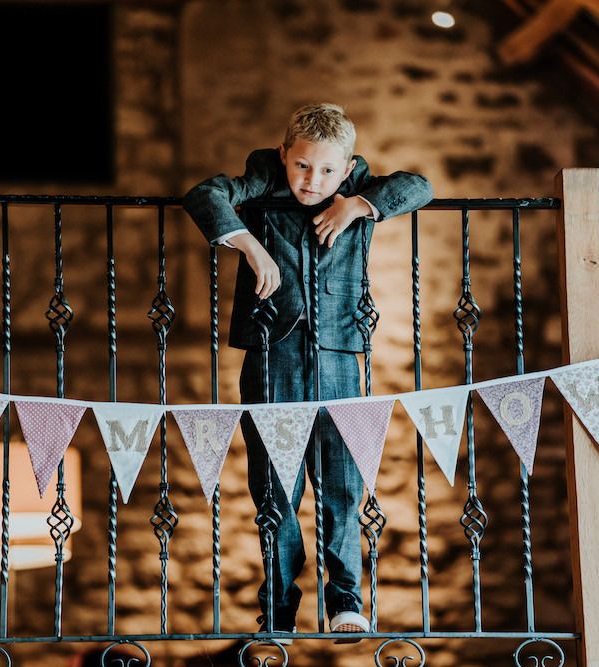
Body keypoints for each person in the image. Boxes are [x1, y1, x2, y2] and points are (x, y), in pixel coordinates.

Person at [183, 103, 433, 641]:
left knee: (342, 486)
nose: (311, 181)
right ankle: (277, 609)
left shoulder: (358, 184)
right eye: (301, 166)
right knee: (276, 493)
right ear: (283, 155)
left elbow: (419, 186)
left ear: (346, 169)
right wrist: (248, 245)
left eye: (326, 171)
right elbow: (204, 194)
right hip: (272, 359)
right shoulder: (262, 178)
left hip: (342, 354)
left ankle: (345, 600)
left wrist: (358, 206)